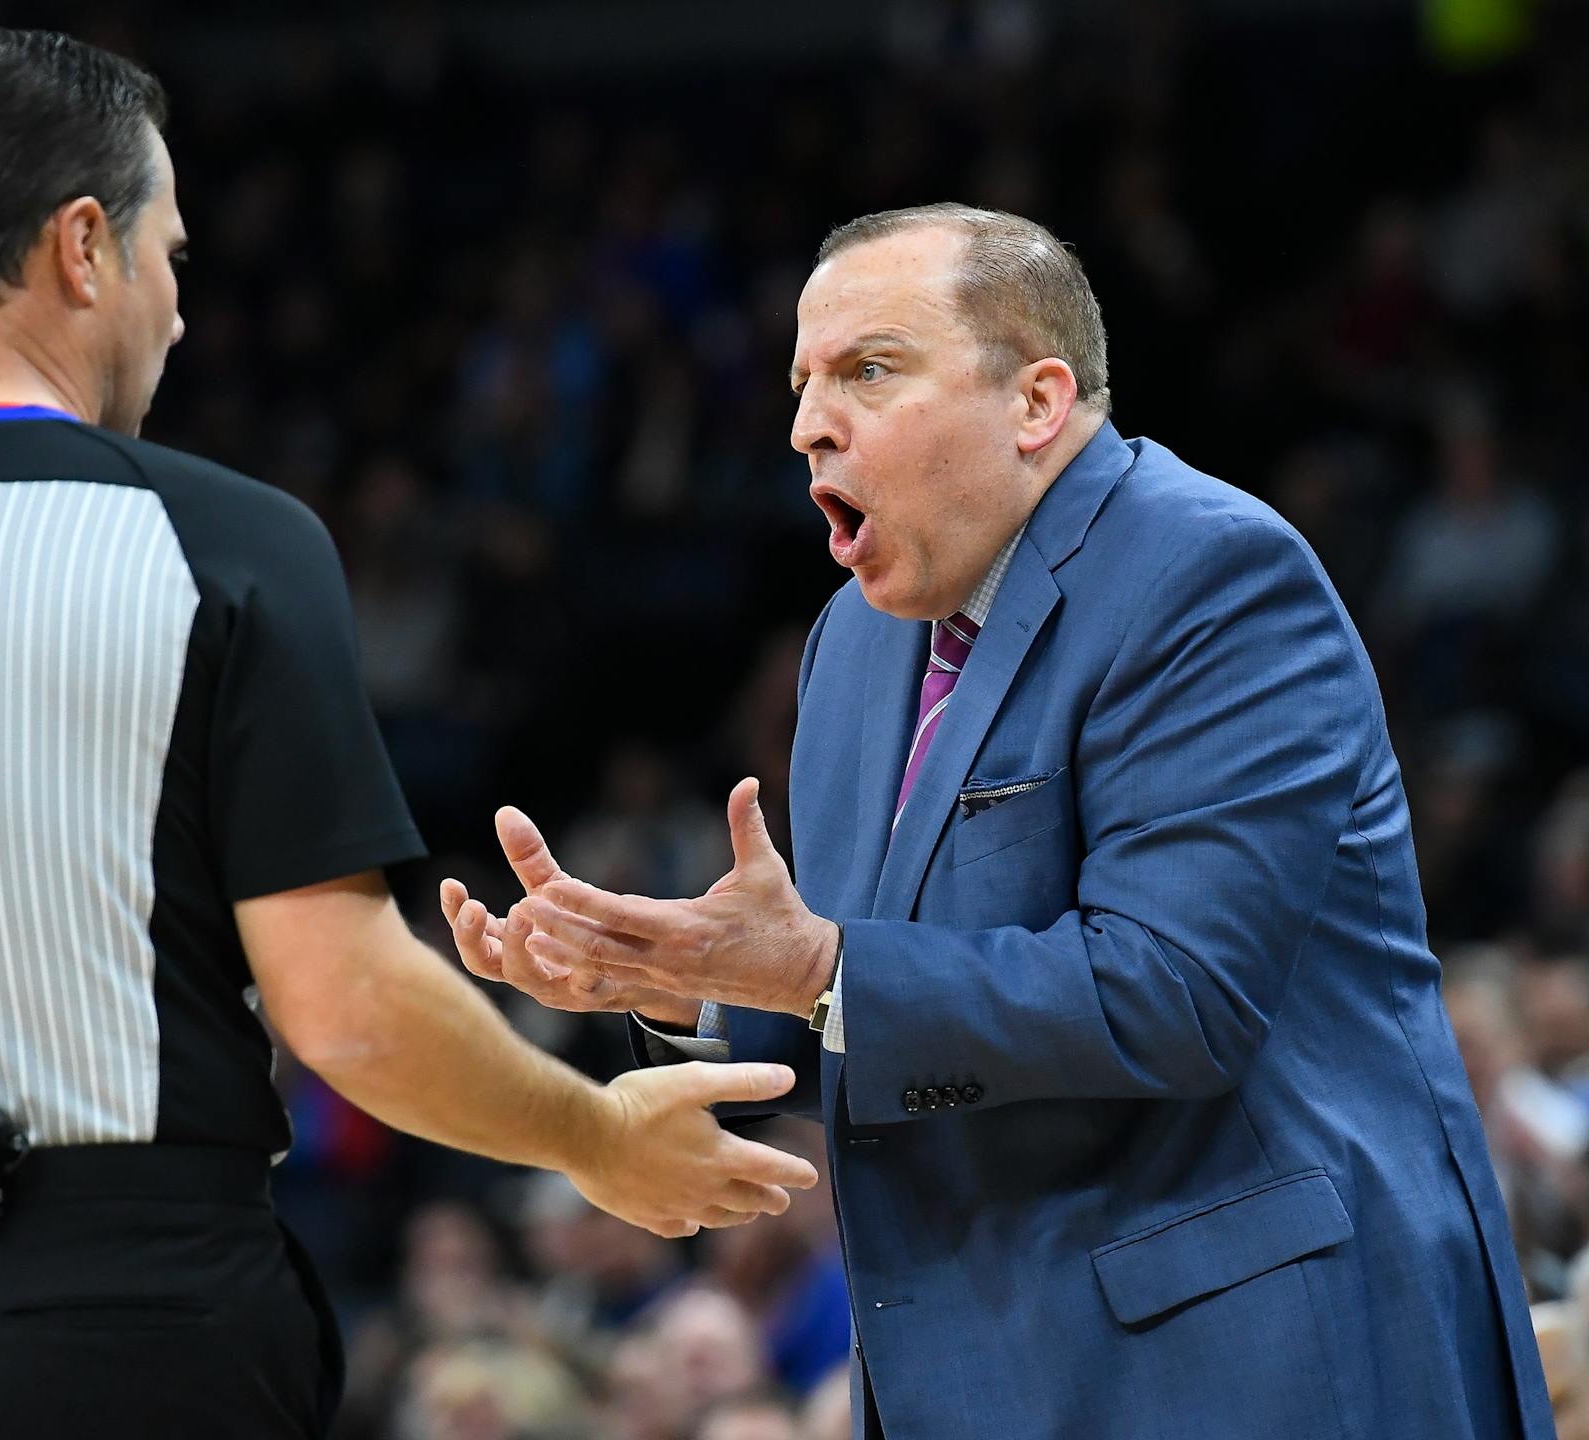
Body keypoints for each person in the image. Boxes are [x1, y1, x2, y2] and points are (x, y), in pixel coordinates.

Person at [0, 27, 817, 1440]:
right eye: (169, 257)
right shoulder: (221, 543)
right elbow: (347, 1010)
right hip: (123, 1318)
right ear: (84, 247)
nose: (180, 313)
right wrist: (592, 1132)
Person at [445, 203, 1555, 1438]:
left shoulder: (1213, 576)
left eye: (870, 370)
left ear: (1036, 402)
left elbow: (1174, 995)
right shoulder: (851, 646)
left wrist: (815, 968)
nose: (809, 423)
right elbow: (889, 1011)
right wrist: (689, 985)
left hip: (1252, 1368)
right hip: (977, 1375)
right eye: (804, 384)